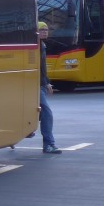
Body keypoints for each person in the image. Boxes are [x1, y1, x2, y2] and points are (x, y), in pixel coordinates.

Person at [37, 22, 61, 154]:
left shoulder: (42, 45)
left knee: (42, 112)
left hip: (40, 83)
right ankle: (48, 144)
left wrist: (46, 82)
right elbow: (39, 68)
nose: (45, 32)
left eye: (46, 29)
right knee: (47, 112)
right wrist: (45, 83)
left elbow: (43, 69)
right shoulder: (36, 46)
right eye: (42, 30)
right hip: (35, 85)